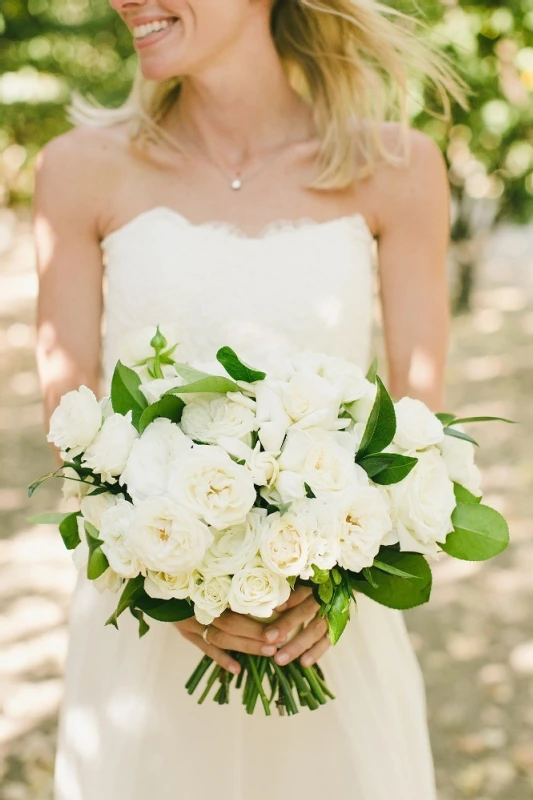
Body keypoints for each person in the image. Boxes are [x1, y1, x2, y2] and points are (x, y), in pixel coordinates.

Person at [33, 1, 464, 798]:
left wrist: (335, 579)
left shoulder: (399, 167)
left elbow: (416, 422)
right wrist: (167, 586)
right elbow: (71, 422)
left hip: (324, 624)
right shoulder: (76, 169)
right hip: (144, 630)